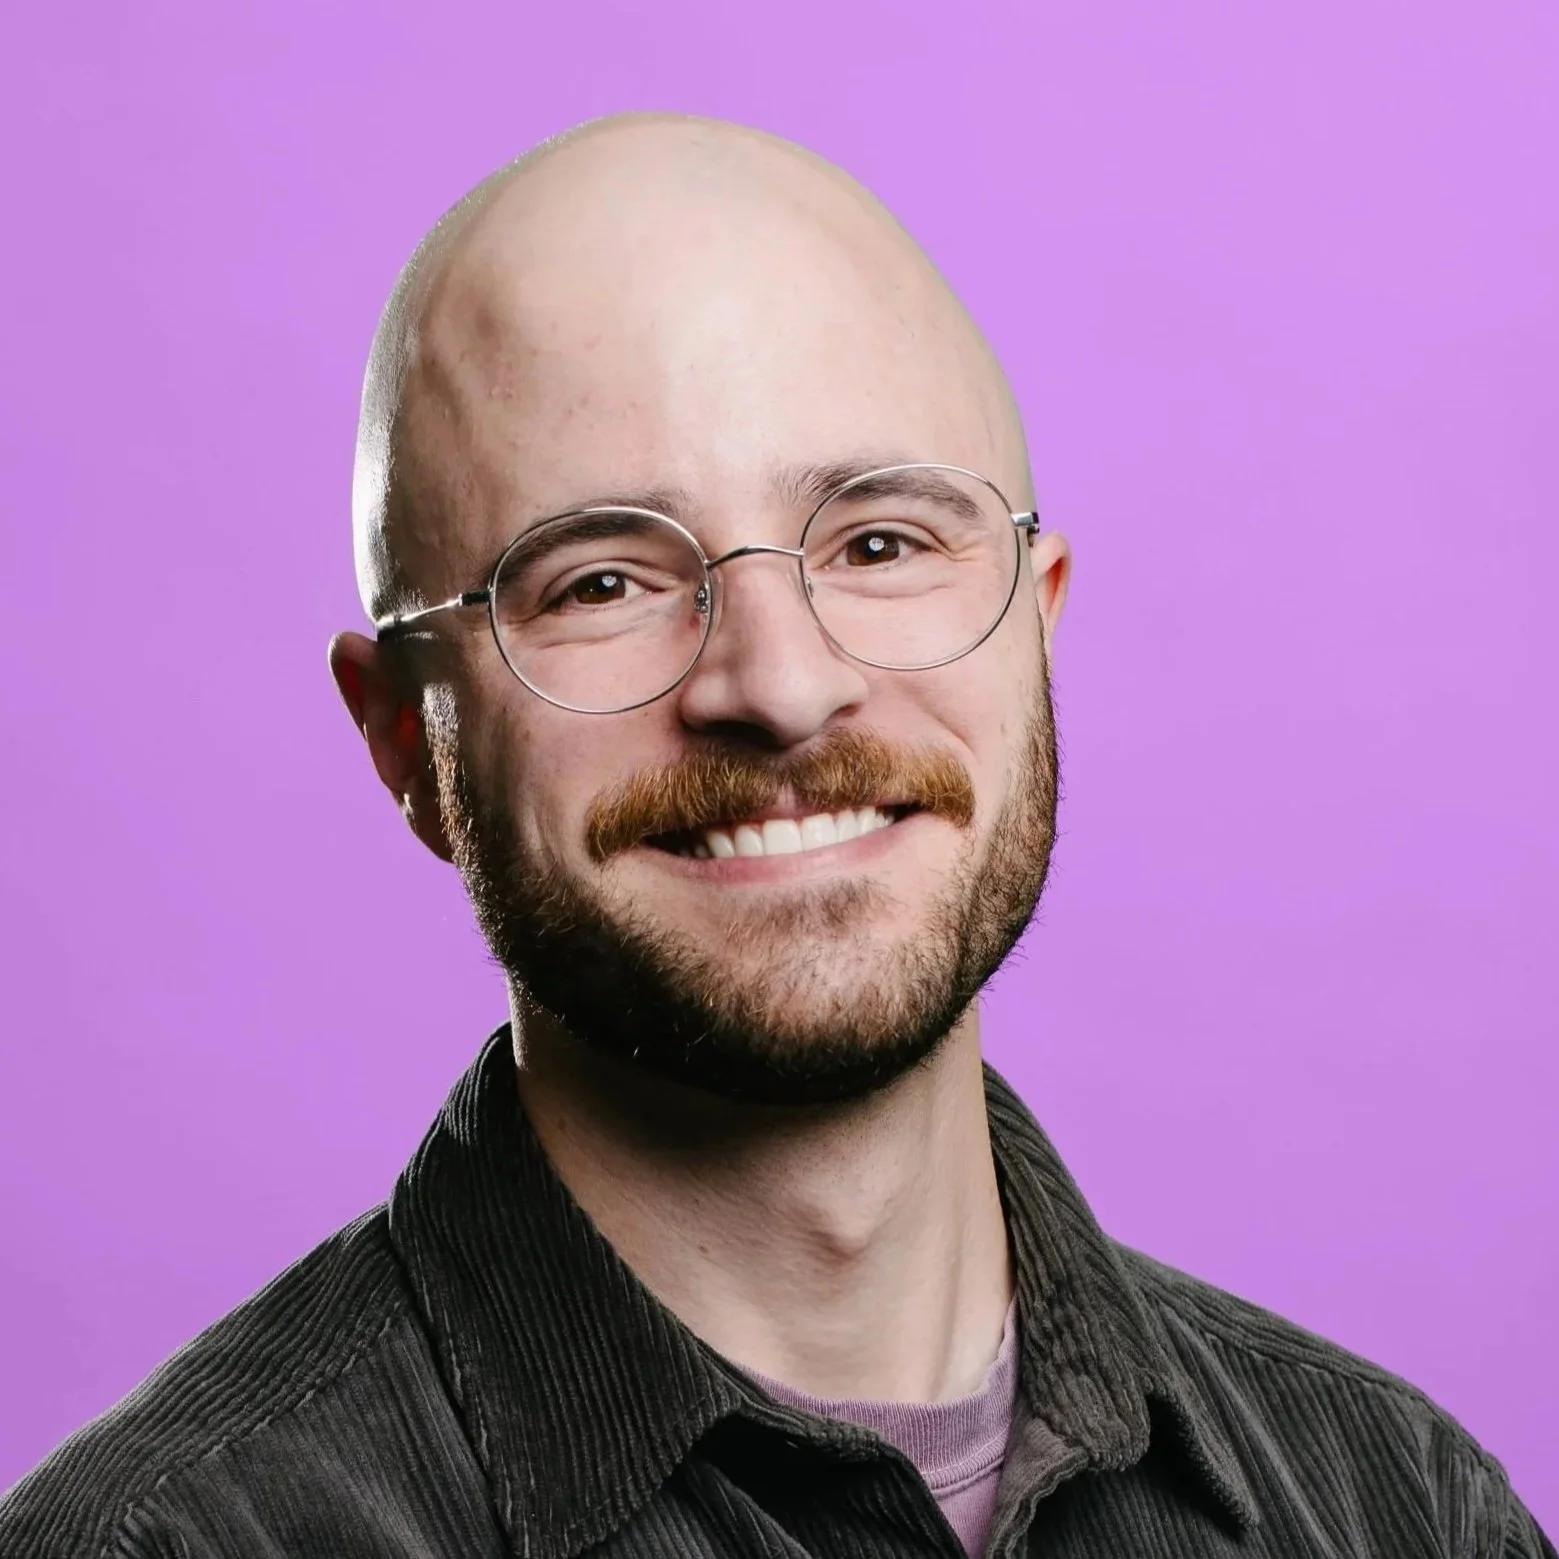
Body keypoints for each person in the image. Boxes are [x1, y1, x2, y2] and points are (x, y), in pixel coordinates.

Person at [0, 112, 1549, 1559]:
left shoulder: (1395, 1503)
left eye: (879, 542)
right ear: (408, 737)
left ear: (1035, 625)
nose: (782, 686)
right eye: (598, 579)